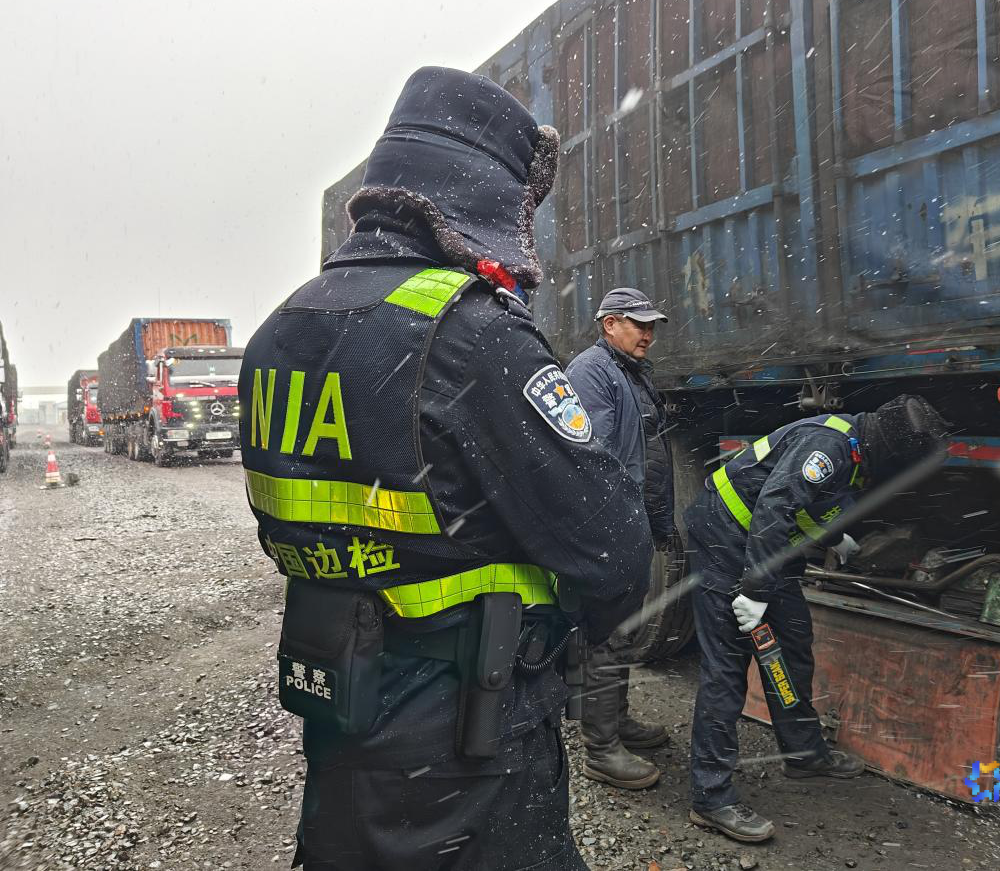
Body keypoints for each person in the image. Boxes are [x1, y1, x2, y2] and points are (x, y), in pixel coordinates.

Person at [238, 66, 652, 871]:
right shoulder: (473, 335)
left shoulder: (277, 332)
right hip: (469, 740)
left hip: (340, 714)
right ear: (483, 199)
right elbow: (614, 549)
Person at [684, 396, 949, 843]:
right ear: (890, 454)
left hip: (766, 543)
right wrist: (754, 593)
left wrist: (834, 536)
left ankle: (804, 754)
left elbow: (811, 501)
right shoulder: (829, 448)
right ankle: (711, 797)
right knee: (726, 668)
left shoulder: (860, 448)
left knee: (793, 641)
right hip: (723, 535)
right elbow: (774, 506)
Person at [566, 288, 674, 788]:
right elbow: (594, 458)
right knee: (607, 634)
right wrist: (610, 529)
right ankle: (601, 748)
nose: (648, 334)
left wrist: (656, 523)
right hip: (610, 526)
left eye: (651, 325)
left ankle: (618, 721)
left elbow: (646, 452)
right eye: (638, 324)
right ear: (609, 324)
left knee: (625, 628)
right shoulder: (592, 372)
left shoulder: (630, 372)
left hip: (631, 523)